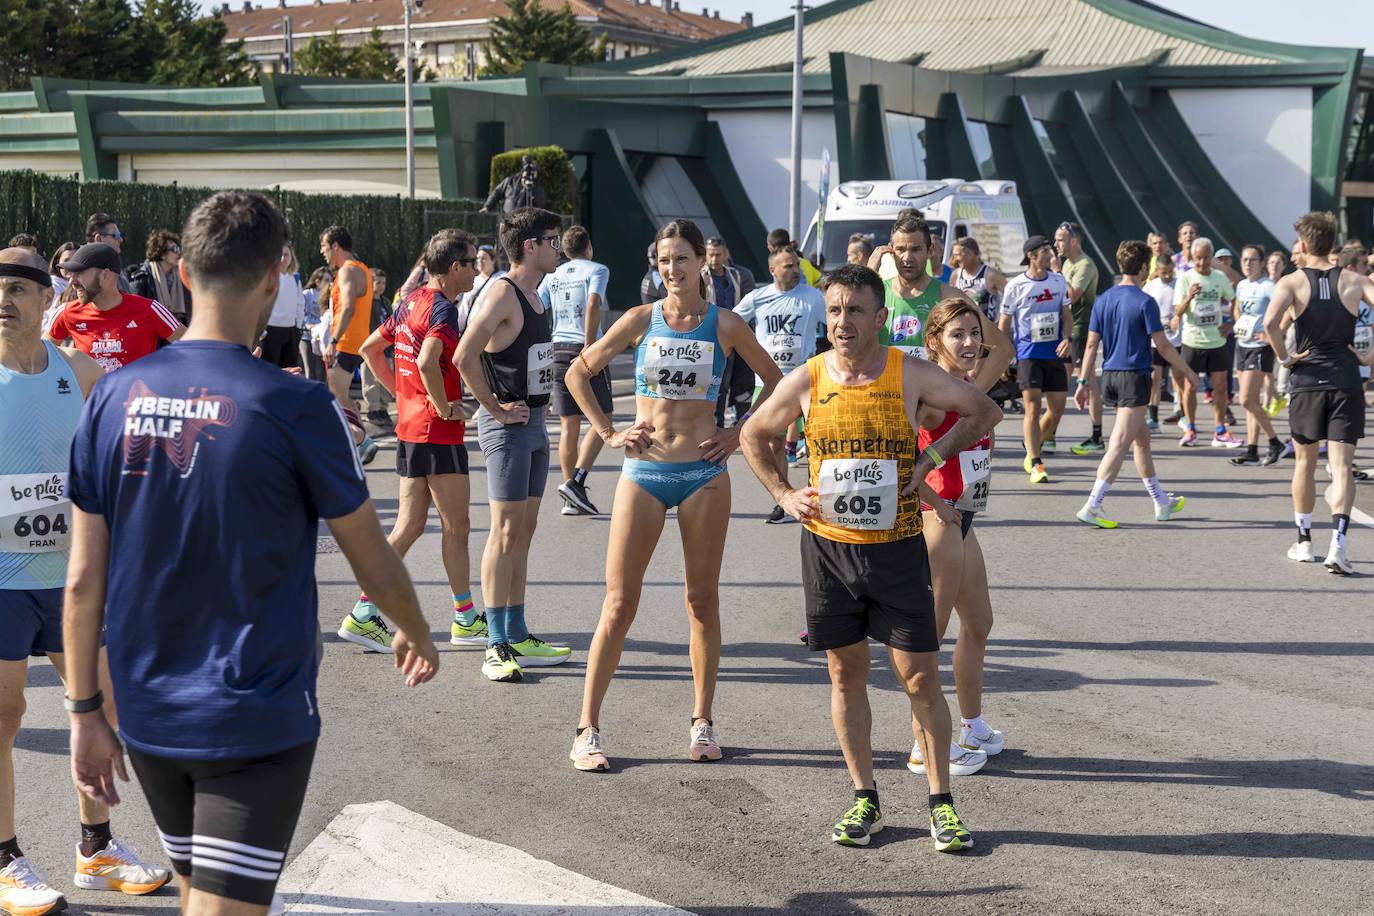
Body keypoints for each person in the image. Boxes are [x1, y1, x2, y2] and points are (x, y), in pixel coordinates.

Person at [62, 191, 438, 916]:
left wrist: (84, 712)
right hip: (254, 712)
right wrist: (415, 629)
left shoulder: (114, 398)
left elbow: (83, 582)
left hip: (147, 712)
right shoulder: (295, 405)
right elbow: (372, 558)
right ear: (275, 277)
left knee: (200, 896)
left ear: (187, 270)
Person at [739, 263, 1000, 851]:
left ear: (880, 318)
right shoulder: (807, 378)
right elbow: (755, 434)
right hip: (830, 552)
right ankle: (864, 797)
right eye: (833, 310)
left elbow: (984, 412)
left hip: (898, 550)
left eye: (855, 310)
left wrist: (931, 463)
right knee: (843, 673)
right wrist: (783, 493)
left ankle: (941, 806)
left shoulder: (910, 373)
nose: (842, 321)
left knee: (919, 678)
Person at [565, 218, 782, 772]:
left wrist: (740, 432)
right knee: (619, 603)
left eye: (682, 258)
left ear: (701, 263)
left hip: (703, 476)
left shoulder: (726, 324)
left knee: (701, 602)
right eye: (664, 261)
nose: (672, 269)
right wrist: (610, 431)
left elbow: (777, 381)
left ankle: (702, 721)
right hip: (644, 472)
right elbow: (577, 373)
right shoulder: (639, 320)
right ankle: (587, 729)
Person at [0, 247, 171, 916]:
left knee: (99, 711)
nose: (4, 299)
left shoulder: (81, 370)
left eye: (18, 288)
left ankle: (95, 848)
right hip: (3, 579)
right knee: (5, 715)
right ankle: (6, 860)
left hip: (70, 577)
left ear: (49, 301)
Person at [339, 229, 487, 652]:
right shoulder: (441, 308)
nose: (477, 270)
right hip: (437, 433)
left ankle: (364, 613)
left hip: (410, 430)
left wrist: (406, 398)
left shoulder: (410, 301)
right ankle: (465, 619)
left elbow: (371, 350)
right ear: (454, 267)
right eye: (472, 263)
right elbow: (426, 361)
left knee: (409, 527)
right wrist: (440, 405)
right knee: (457, 527)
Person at [456, 207, 573, 682]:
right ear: (530, 245)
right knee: (503, 532)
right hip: (507, 426)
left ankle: (518, 632)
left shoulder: (535, 294)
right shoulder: (502, 292)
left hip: (536, 423)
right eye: (552, 240)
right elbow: (464, 355)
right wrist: (498, 408)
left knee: (523, 530)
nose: (558, 247)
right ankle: (495, 644)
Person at [906, 296, 1015, 781]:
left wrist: (964, 299)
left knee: (979, 622)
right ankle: (921, 744)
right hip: (938, 524)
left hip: (963, 520)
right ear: (934, 343)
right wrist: (934, 499)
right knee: (927, 639)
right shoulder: (930, 397)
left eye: (974, 333)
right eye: (958, 335)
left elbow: (1004, 348)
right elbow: (897, 458)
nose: (971, 344)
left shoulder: (968, 386)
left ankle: (970, 725)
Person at [1264, 211, 1374, 575]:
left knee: (1305, 463)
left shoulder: (1291, 282)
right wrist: (1369, 356)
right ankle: (1338, 546)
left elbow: (1268, 325)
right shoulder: (1354, 280)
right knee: (1341, 467)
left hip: (1308, 381)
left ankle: (1305, 541)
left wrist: (1286, 358)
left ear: (1306, 244)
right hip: (1345, 379)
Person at [1072, 240, 1197, 529]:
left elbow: (1091, 345)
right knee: (1118, 443)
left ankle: (1161, 502)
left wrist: (1082, 381)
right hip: (1133, 378)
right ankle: (1092, 504)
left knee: (1141, 440)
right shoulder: (1145, 301)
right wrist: (1188, 371)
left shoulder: (1103, 299)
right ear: (1143, 267)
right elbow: (1163, 346)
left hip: (1110, 376)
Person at [733, 246, 825, 520]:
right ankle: (783, 498)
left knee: (816, 439)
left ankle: (818, 495)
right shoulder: (758, 298)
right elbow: (731, 321)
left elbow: (832, 323)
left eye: (796, 265)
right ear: (773, 270)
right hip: (769, 382)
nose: (795, 270)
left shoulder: (812, 297)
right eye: (788, 266)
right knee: (772, 439)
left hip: (805, 381)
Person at [538, 225, 613, 516]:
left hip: (557, 348)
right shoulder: (597, 269)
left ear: (565, 250)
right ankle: (577, 482)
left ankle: (571, 496)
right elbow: (593, 303)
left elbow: (538, 305)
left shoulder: (553, 275)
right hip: (583, 347)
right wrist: (591, 344)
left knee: (570, 424)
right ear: (589, 246)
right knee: (602, 418)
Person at [999, 235, 1072, 483]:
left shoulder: (1058, 281)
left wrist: (1067, 338)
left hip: (1054, 353)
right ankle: (1036, 461)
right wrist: (1004, 355)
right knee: (1033, 408)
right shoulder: (1016, 285)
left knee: (1057, 409)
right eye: (1045, 251)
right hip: (1028, 354)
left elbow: (1066, 313)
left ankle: (1032, 445)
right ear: (1031, 255)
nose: (1050, 254)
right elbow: (1005, 323)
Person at [46, 243, 185, 372]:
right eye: (72, 274)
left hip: (134, 398)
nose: (72, 281)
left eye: (80, 273)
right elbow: (38, 354)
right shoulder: (67, 312)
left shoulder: (149, 309)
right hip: (90, 399)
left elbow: (194, 346)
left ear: (105, 275)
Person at [1173, 237, 1242, 448]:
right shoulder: (1185, 278)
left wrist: (1231, 323)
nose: (1202, 263)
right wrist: (1189, 297)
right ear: (1193, 258)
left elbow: (1234, 298)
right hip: (1192, 341)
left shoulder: (1220, 277)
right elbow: (1177, 311)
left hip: (1217, 340)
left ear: (1212, 258)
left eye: (1205, 258)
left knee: (1220, 387)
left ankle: (1220, 430)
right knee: (1190, 387)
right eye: (1198, 258)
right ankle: (1190, 428)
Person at [319, 225, 379, 463]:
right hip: (356, 343)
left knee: (334, 397)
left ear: (335, 246)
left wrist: (332, 341)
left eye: (324, 246)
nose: (322, 252)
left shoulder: (346, 271)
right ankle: (361, 443)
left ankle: (361, 441)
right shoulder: (363, 269)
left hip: (344, 342)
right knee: (343, 398)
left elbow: (349, 307)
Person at [1229, 246, 1285, 466]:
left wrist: (1273, 333)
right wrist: (1239, 321)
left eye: (1252, 260)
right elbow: (1237, 307)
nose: (1247, 264)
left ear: (1262, 263)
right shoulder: (1242, 285)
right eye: (1244, 259)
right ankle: (1252, 449)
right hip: (1242, 344)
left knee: (1245, 399)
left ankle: (1274, 442)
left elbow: (1286, 310)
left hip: (1260, 347)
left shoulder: (1269, 286)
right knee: (1250, 402)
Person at [1055, 222, 1104, 455]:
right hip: (1067, 329)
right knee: (1059, 380)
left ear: (1074, 241)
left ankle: (1096, 435)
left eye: (1061, 240)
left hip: (1081, 328)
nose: (1056, 244)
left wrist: (1055, 273)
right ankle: (1049, 435)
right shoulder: (1068, 263)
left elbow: (1072, 296)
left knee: (1088, 380)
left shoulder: (1084, 264)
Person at [704, 237, 758, 427]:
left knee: (742, 385)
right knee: (717, 385)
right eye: (710, 254)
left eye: (718, 254)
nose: (714, 259)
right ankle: (715, 426)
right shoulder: (700, 276)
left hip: (737, 336)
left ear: (726, 254)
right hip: (713, 338)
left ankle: (740, 427)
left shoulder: (738, 275)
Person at [1144, 256, 1181, 430]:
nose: (1166, 276)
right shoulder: (1151, 286)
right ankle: (1153, 417)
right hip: (1156, 340)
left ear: (1173, 268)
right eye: (1163, 272)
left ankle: (1181, 412)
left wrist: (1178, 317)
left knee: (1178, 379)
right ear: (1157, 270)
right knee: (1154, 377)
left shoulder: (1179, 283)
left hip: (1176, 339)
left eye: (1169, 272)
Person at [124, 230, 190, 325]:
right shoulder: (142, 278)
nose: (178, 253)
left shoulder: (182, 277)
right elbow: (135, 315)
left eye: (178, 249)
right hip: (153, 336)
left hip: (177, 335)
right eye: (174, 249)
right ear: (162, 254)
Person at [360, 267, 396, 437]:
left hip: (386, 347)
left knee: (385, 377)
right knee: (371, 379)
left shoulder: (386, 302)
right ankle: (373, 409)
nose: (381, 286)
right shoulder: (366, 302)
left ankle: (383, 408)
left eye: (383, 283)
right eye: (377, 282)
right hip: (371, 346)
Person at [260, 243, 304, 370]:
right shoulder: (267, 277)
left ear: (291, 258)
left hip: (290, 332)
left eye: (286, 255)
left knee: (290, 373)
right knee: (269, 372)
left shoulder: (295, 278)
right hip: (270, 331)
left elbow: (300, 304)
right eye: (280, 255)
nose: (283, 259)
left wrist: (298, 328)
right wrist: (261, 330)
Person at [949, 237, 1004, 323]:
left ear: (970, 254)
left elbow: (1012, 296)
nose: (954, 259)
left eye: (957, 255)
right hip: (966, 330)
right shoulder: (956, 275)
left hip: (988, 331)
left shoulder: (990, 275)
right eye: (954, 255)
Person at [481, 156, 547, 215]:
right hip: (507, 219)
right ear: (523, 171)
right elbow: (497, 192)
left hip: (525, 222)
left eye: (533, 172)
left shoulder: (537, 188)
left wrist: (530, 189)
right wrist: (487, 206)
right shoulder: (510, 181)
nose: (529, 174)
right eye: (528, 171)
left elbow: (540, 204)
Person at [459, 244, 504, 329]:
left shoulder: (501, 279)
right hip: (470, 328)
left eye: (484, 258)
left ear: (493, 260)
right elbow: (464, 307)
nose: (480, 261)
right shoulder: (474, 280)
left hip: (489, 330)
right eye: (478, 258)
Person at [84, 214, 131, 294]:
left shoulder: (113, 265)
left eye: (119, 235)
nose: (121, 239)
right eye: (116, 236)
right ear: (98, 239)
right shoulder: (83, 271)